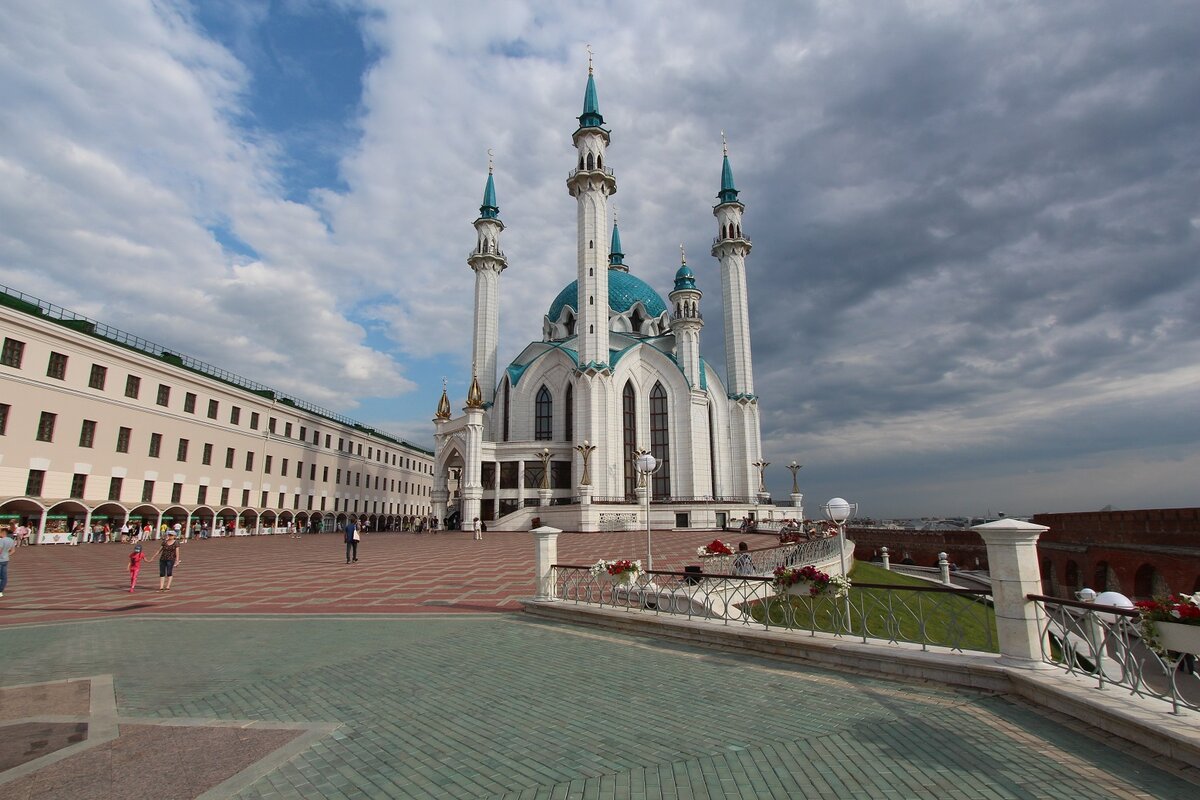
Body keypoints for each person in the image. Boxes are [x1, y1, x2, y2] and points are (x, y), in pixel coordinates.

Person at [0, 527, 16, 598]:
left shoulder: (2, 540)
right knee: (4, 577)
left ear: (3, 533)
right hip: (6, 560)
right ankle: (0, 591)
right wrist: (6, 554)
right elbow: (13, 551)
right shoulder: (11, 540)